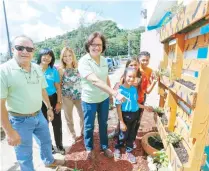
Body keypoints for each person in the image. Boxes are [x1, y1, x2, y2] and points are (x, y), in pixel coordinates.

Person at [0, 35, 64, 171]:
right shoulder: (4, 71)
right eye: (20, 48)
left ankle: (49, 161)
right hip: (19, 120)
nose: (25, 51)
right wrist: (9, 131)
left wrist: (49, 108)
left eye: (29, 49)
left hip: (39, 115)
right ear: (13, 49)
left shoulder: (36, 68)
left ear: (33, 51)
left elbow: (42, 90)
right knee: (24, 154)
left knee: (46, 142)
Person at [78, 32, 126, 160]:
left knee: (103, 123)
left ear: (103, 46)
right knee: (89, 126)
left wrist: (110, 95)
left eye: (99, 44)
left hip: (103, 99)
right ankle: (89, 148)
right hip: (89, 100)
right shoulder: (83, 61)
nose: (96, 47)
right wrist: (114, 93)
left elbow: (105, 79)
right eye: (93, 44)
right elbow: (94, 80)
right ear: (88, 46)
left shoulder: (104, 60)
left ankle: (104, 146)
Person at [113, 68, 151, 163]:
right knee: (122, 134)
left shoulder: (134, 89)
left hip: (135, 115)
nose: (131, 79)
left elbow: (135, 103)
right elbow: (118, 108)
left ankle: (129, 151)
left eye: (133, 77)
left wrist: (145, 107)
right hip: (125, 116)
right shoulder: (120, 90)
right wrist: (121, 122)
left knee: (132, 134)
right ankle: (118, 148)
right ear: (124, 77)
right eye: (129, 76)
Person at [37, 48, 65, 155]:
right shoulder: (34, 69)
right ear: (40, 56)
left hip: (53, 98)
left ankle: (59, 145)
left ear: (52, 58)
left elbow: (58, 88)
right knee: (44, 125)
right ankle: (49, 147)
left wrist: (59, 102)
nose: (46, 58)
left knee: (57, 123)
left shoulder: (53, 70)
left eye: (49, 56)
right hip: (40, 101)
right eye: (44, 55)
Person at [58, 47, 84, 144]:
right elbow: (59, 86)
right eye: (65, 56)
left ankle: (83, 133)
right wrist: (59, 99)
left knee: (83, 115)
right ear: (62, 58)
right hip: (67, 97)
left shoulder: (78, 67)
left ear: (73, 56)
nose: (67, 58)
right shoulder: (60, 70)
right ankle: (72, 135)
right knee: (68, 117)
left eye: (69, 55)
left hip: (79, 96)